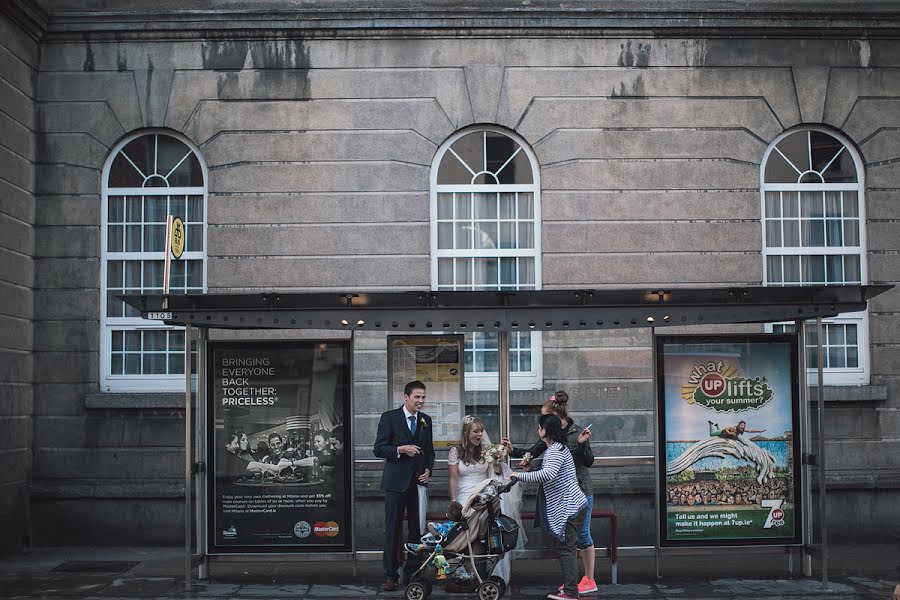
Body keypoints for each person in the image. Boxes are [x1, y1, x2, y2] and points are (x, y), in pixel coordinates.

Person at [502, 391, 596, 594]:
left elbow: (549, 473)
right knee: (566, 547)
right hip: (570, 503)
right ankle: (571, 586)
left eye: (540, 424)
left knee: (569, 546)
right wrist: (517, 456)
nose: (537, 429)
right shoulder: (557, 446)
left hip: (571, 503)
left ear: (547, 428)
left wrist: (517, 476)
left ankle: (573, 589)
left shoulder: (559, 446)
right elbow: (543, 464)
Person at [448, 415, 525, 585]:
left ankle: (481, 572)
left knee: (483, 534)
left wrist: (497, 463)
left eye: (481, 431)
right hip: (464, 497)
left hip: (484, 497)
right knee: (467, 535)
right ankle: (468, 572)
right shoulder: (455, 452)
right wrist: (454, 501)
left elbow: (494, 473)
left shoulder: (486, 450)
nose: (479, 434)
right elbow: (453, 478)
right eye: (476, 431)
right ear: (466, 433)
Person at [373, 380, 435, 592]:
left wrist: (428, 470)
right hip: (395, 483)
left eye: (423, 397)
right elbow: (379, 449)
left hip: (418, 483)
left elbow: (430, 451)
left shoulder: (426, 420)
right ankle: (390, 575)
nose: (421, 401)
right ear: (406, 397)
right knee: (392, 530)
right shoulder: (389, 417)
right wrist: (401, 449)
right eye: (417, 397)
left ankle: (413, 573)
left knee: (416, 532)